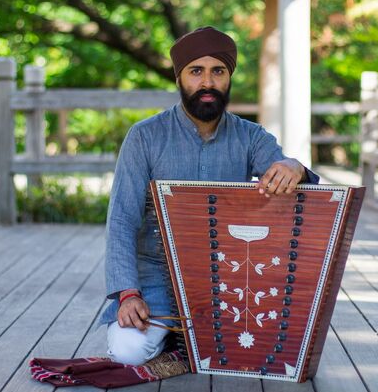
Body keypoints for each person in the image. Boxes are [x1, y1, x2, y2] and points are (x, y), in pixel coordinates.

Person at [101, 26, 318, 365]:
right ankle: (176, 334)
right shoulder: (144, 137)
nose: (207, 83)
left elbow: (291, 183)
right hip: (156, 278)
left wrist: (295, 167)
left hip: (228, 280)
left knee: (265, 348)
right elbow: (121, 220)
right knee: (127, 351)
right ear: (179, 78)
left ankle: (185, 337)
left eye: (218, 71)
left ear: (228, 77)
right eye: (196, 72)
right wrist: (128, 294)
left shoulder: (252, 137)